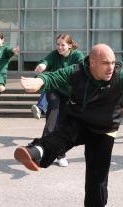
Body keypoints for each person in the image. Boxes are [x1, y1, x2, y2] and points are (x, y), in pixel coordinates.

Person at [14, 44, 123, 207]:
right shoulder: (77, 71)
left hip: (105, 129)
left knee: (97, 178)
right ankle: (36, 152)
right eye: (105, 63)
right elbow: (54, 77)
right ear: (92, 63)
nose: (110, 67)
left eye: (113, 62)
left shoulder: (120, 73)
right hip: (79, 119)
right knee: (62, 135)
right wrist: (40, 81)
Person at [30, 33, 85, 167]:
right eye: (58, 44)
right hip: (54, 90)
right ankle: (40, 152)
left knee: (63, 125)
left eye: (62, 45)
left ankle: (60, 154)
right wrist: (42, 65)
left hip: (69, 94)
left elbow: (81, 69)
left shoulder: (77, 55)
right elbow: (46, 61)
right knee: (52, 117)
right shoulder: (54, 55)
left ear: (70, 46)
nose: (59, 47)